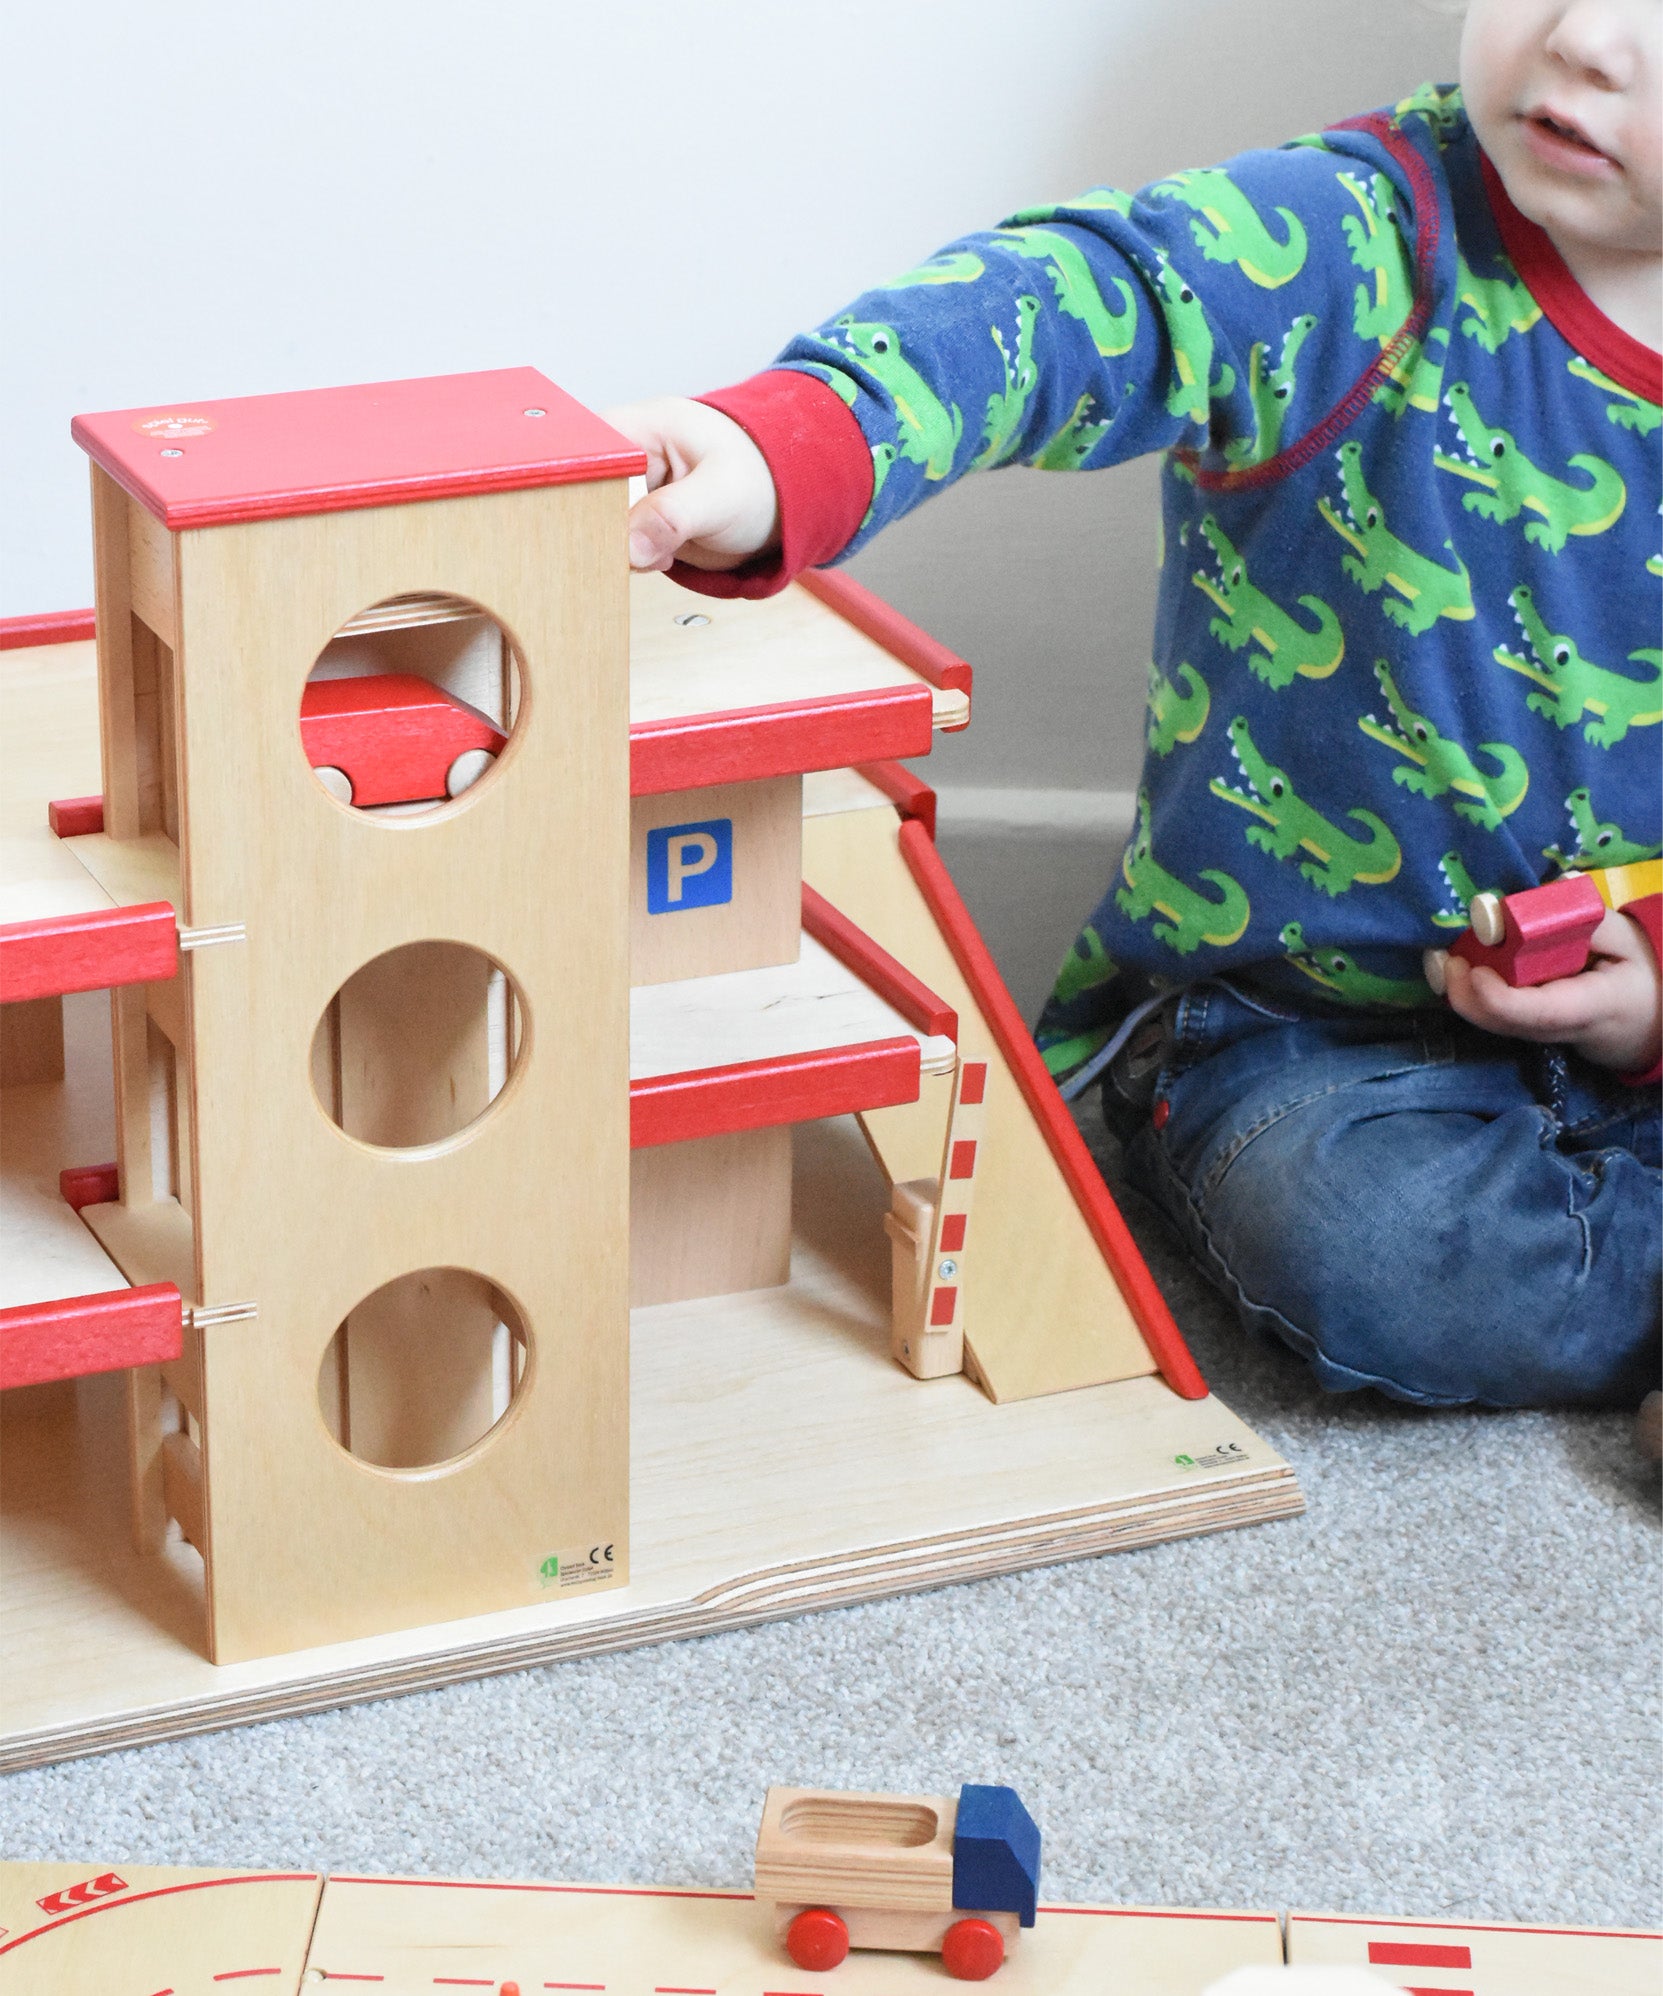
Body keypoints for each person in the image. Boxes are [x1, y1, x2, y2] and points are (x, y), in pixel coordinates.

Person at [607, 0, 1661, 1422]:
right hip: (1313, 1040)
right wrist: (788, 439)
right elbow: (1090, 294)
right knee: (1376, 1250)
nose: (1586, 39)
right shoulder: (1357, 242)